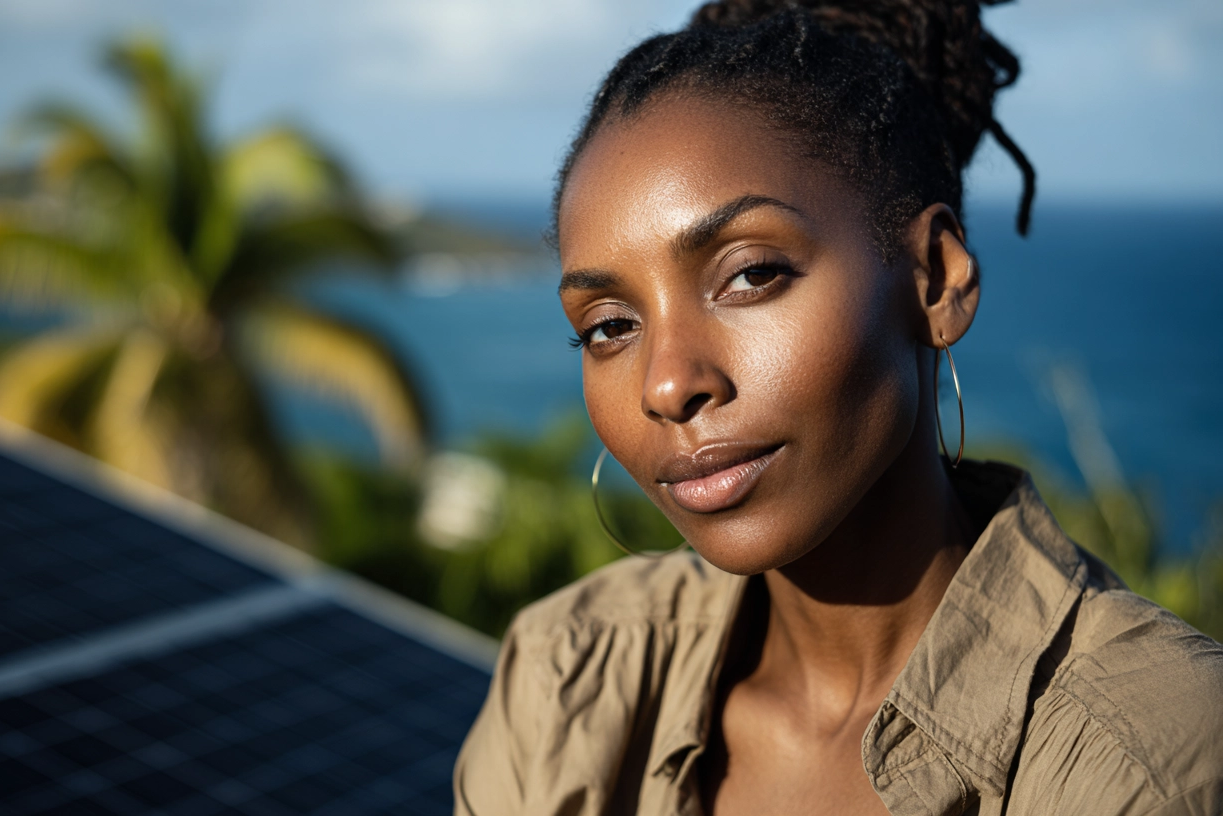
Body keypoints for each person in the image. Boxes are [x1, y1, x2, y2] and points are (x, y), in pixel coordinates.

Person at [452, 1, 1223, 814]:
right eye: (611, 327)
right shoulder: (565, 677)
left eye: (751, 275)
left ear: (935, 277)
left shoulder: (1143, 757)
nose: (667, 385)